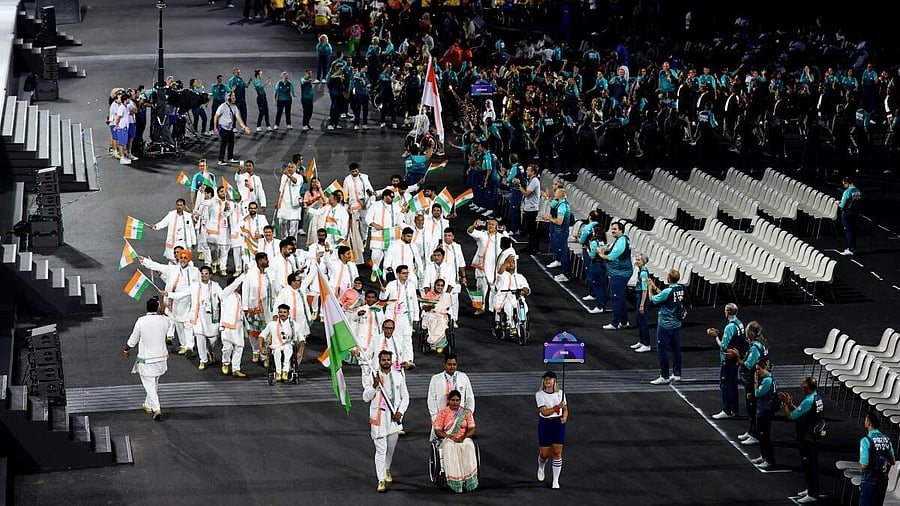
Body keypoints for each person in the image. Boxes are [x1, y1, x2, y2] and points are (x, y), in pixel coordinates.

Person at [363, 350, 409, 493]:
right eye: (383, 360)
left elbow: (405, 397)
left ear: (391, 360)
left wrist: (400, 412)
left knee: (390, 449)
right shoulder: (373, 376)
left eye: (388, 359)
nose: (386, 362)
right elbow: (365, 397)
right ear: (379, 361)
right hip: (378, 418)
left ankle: (387, 468)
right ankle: (381, 479)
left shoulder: (398, 376)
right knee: (381, 450)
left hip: (394, 418)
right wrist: (374, 386)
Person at [123, 296, 169, 421]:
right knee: (154, 383)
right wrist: (162, 311)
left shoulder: (141, 321)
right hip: (161, 359)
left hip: (147, 360)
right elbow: (168, 322)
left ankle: (157, 408)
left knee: (149, 385)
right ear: (158, 307)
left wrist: (126, 349)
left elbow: (133, 339)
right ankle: (148, 405)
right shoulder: (164, 320)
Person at [782, 376, 825, 503]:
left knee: (809, 465)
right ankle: (811, 488)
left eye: (803, 387)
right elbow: (801, 412)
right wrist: (791, 404)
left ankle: (813, 493)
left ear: (807, 388)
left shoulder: (808, 401)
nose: (801, 388)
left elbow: (792, 416)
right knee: (810, 465)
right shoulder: (817, 399)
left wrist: (786, 405)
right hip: (813, 436)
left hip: (808, 438)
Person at [432, 390, 479, 493]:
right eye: (453, 400)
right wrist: (448, 436)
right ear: (448, 400)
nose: (455, 402)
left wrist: (464, 437)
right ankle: (456, 481)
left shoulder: (466, 412)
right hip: (448, 438)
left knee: (469, 446)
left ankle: (469, 481)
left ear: (460, 401)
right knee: (449, 447)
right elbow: (438, 430)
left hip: (463, 437)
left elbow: (472, 428)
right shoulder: (443, 413)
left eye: (457, 400)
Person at [647, 269, 684, 385]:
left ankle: (664, 375)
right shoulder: (680, 289)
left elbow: (652, 299)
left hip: (665, 324)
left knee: (662, 349)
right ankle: (677, 373)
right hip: (676, 323)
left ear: (669, 279)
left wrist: (649, 288)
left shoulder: (667, 291)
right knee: (676, 349)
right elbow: (665, 295)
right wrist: (654, 287)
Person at [735, 321, 769, 446]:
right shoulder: (759, 344)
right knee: (752, 408)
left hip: (753, 381)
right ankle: (751, 431)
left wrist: (737, 357)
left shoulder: (755, 347)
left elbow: (749, 365)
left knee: (753, 407)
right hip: (754, 380)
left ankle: (755, 434)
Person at [708, 303, 744, 419]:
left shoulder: (729, 327)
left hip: (727, 359)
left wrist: (716, 337)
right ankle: (734, 409)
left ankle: (726, 410)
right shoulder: (740, 323)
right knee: (733, 384)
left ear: (727, 312)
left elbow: (723, 346)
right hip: (736, 357)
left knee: (725, 384)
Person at [597, 222, 632, 330]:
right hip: (620, 271)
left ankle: (615, 323)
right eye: (612, 229)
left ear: (621, 230)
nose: (612, 231)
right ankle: (624, 321)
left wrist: (601, 254)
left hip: (620, 273)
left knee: (616, 298)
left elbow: (611, 257)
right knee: (620, 297)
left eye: (615, 229)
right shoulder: (622, 239)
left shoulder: (621, 241)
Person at [536, 371, 567, 489]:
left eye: (550, 379)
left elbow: (565, 409)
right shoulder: (539, 395)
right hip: (545, 424)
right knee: (544, 454)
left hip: (558, 424)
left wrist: (564, 417)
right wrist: (557, 407)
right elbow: (544, 412)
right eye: (545, 379)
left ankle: (555, 480)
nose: (547, 381)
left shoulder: (561, 394)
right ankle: (541, 466)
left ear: (555, 381)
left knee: (557, 452)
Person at [859, 411, 896, 506]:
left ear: (868, 422)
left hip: (869, 481)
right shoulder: (887, 439)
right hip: (883, 481)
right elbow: (892, 461)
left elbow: (864, 465)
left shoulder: (865, 441)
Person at [749, 360, 777, 469]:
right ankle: (763, 455)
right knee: (762, 435)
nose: (757, 372)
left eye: (758, 369)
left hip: (765, 412)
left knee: (765, 436)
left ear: (765, 368)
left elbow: (758, 393)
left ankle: (769, 459)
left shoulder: (767, 381)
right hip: (762, 410)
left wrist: (755, 382)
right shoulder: (767, 380)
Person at [213, 92, 251, 166]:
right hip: (222, 127)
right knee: (223, 144)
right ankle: (220, 160)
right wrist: (215, 127)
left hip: (229, 128)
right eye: (233, 98)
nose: (235, 99)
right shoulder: (222, 106)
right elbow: (216, 116)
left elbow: (238, 118)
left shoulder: (234, 107)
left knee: (231, 143)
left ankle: (230, 157)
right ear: (229, 98)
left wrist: (244, 127)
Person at [632, 254, 651, 352]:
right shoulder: (641, 270)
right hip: (639, 295)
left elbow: (645, 290)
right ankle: (641, 340)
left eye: (639, 260)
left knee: (642, 320)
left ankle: (646, 343)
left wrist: (642, 304)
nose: (636, 261)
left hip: (642, 297)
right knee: (638, 319)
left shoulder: (643, 273)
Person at [839, 176, 862, 256]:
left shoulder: (847, 192)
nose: (843, 186)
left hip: (846, 213)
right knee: (853, 231)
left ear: (847, 183)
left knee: (848, 231)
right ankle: (853, 248)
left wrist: (837, 203)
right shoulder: (858, 191)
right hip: (855, 213)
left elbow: (842, 205)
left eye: (844, 184)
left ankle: (850, 249)